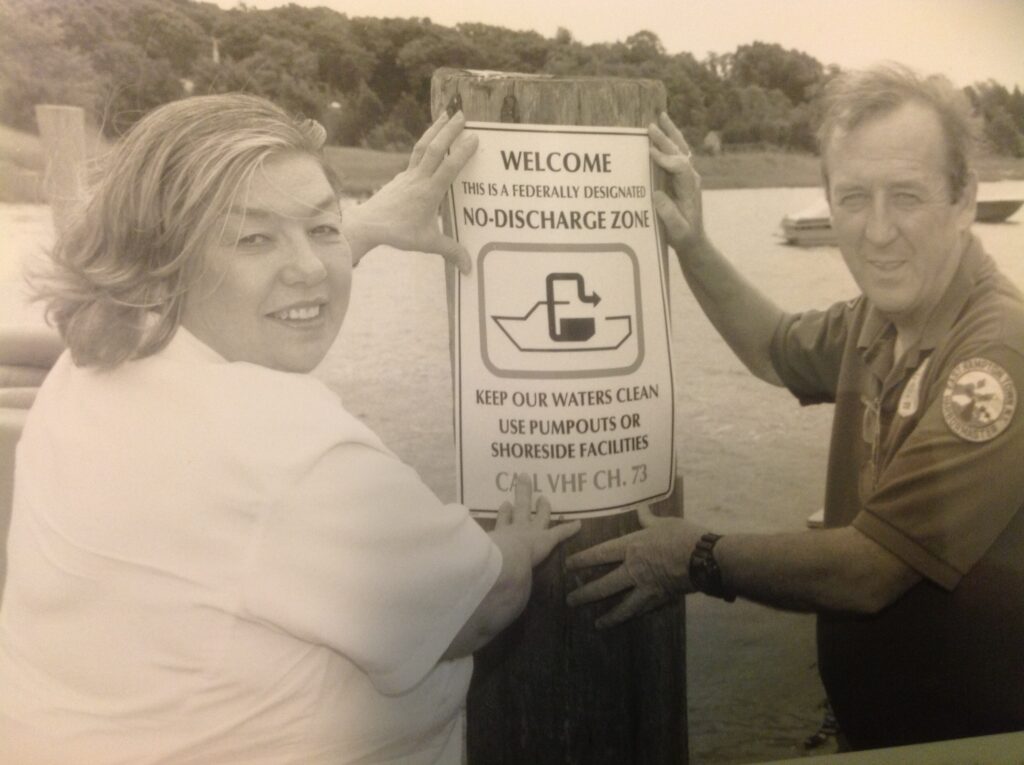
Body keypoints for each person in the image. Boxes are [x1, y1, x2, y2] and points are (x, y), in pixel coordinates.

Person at [0, 93, 579, 764]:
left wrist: (363, 226)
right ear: (167, 258)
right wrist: (517, 543)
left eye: (322, 228)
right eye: (255, 237)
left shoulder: (97, 356)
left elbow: (260, 279)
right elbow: (478, 605)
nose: (310, 267)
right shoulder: (288, 451)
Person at [568, 63, 1024, 750]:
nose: (875, 232)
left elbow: (872, 569)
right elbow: (774, 347)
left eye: (906, 196)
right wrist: (691, 242)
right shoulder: (876, 320)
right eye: (852, 197)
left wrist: (696, 557)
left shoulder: (997, 353)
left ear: (964, 202)